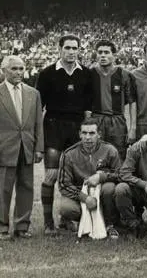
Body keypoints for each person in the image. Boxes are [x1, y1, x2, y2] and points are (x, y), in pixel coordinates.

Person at [36, 35, 92, 235]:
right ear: (59, 48)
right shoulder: (47, 74)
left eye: (75, 48)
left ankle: (66, 219)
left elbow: (88, 109)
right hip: (53, 127)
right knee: (51, 175)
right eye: (67, 47)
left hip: (76, 129)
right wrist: (39, 142)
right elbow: (38, 109)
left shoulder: (86, 74)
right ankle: (48, 222)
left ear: (79, 50)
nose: (71, 51)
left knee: (76, 177)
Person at [0, 56, 43, 239]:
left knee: (26, 186)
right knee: (3, 188)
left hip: (26, 146)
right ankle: (2, 227)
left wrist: (39, 147)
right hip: (4, 148)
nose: (18, 72)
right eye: (14, 69)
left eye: (21, 68)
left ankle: (22, 226)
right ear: (3, 71)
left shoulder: (33, 93)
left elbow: (37, 123)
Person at [58, 118, 121, 239]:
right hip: (80, 197)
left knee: (110, 188)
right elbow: (63, 184)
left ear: (99, 134)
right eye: (84, 133)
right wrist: (85, 198)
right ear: (79, 134)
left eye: (92, 133)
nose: (88, 137)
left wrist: (102, 176)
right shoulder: (69, 154)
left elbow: (121, 174)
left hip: (103, 196)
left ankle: (110, 224)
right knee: (65, 207)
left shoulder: (110, 150)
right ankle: (80, 221)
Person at [89, 40, 137, 160]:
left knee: (118, 156)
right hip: (96, 119)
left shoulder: (125, 75)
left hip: (117, 121)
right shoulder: (90, 74)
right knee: (95, 157)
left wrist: (133, 128)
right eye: (100, 52)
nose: (103, 55)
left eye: (106, 52)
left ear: (114, 55)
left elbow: (132, 102)